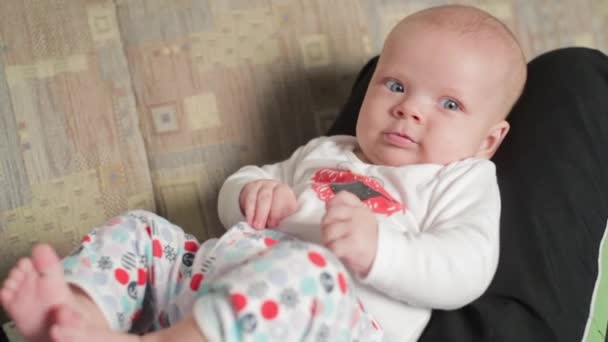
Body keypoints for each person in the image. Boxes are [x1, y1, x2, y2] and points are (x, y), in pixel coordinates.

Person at [0, 4, 528, 342]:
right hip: (213, 284)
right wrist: (253, 192)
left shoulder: (462, 179)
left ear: (488, 139)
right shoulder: (329, 149)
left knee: (311, 269)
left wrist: (379, 251)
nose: (410, 109)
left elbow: (467, 267)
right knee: (145, 230)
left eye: (450, 104)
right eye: (394, 85)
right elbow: (243, 186)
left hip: (326, 318)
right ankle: (72, 313)